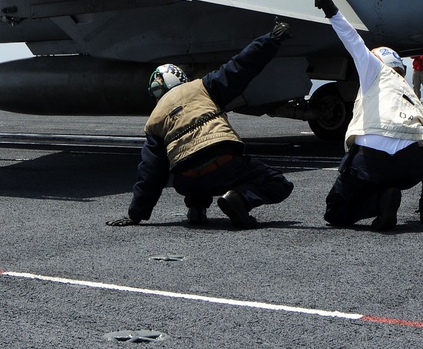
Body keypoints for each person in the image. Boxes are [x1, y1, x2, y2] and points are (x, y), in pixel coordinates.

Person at [107, 20, 295, 230]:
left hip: (188, 181)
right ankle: (240, 198)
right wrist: (270, 40)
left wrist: (135, 215)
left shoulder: (154, 120)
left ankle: (196, 209)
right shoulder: (202, 87)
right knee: (278, 183)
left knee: (190, 159)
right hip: (224, 168)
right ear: (182, 79)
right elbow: (241, 67)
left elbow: (151, 173)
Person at [314, 0, 423, 230]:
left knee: (335, 212)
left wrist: (331, 10)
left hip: (369, 162)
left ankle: (380, 201)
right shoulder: (410, 93)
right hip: (408, 166)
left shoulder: (374, 69)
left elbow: (353, 41)